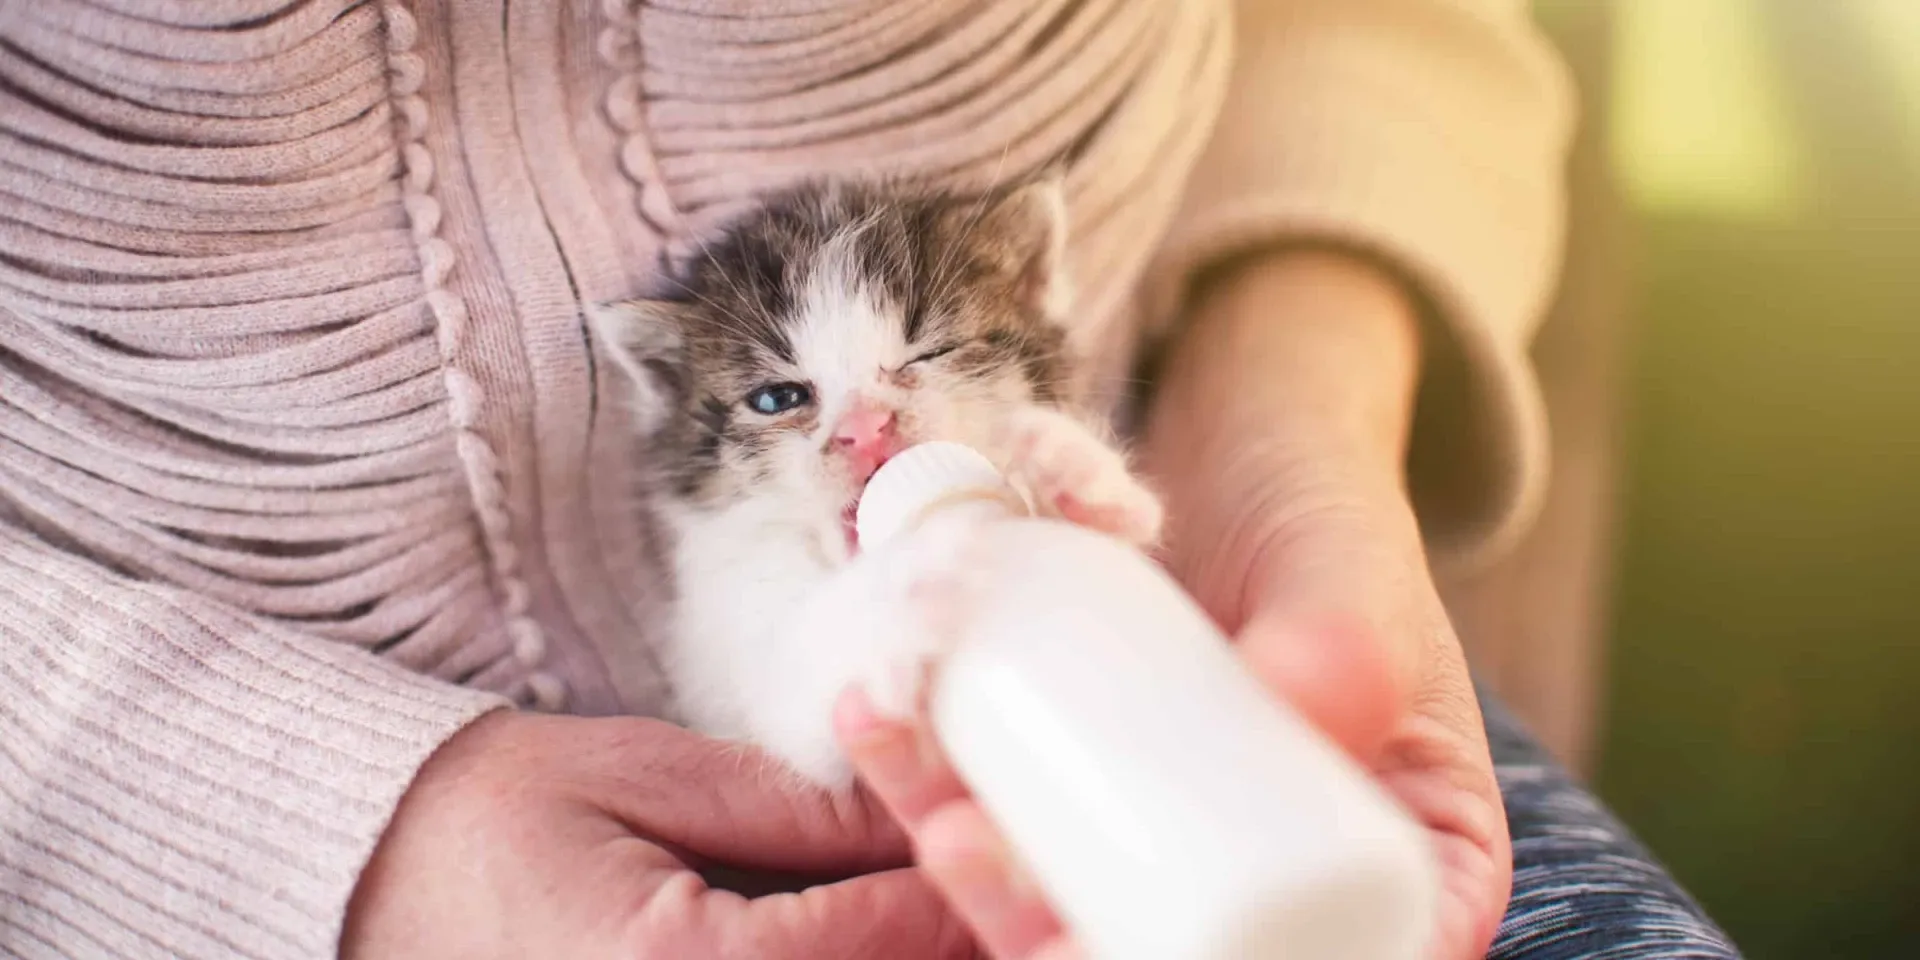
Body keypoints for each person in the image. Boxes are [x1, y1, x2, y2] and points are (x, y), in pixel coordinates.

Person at [0, 1, 1738, 958]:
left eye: (911, 379)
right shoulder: (745, 559)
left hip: (1213, 638)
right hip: (188, 861)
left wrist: (1286, 418)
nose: (865, 439)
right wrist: (288, 844)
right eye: (787, 402)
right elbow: (815, 707)